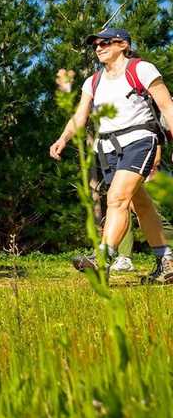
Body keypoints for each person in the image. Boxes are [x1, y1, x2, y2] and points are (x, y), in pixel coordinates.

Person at [49, 27, 173, 284]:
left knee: (117, 199)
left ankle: (102, 259)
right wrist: (63, 138)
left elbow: (166, 105)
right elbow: (80, 117)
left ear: (123, 45)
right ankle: (167, 261)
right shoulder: (92, 81)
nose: (98, 47)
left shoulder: (142, 69)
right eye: (95, 44)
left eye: (105, 42)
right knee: (140, 204)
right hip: (107, 148)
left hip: (140, 140)